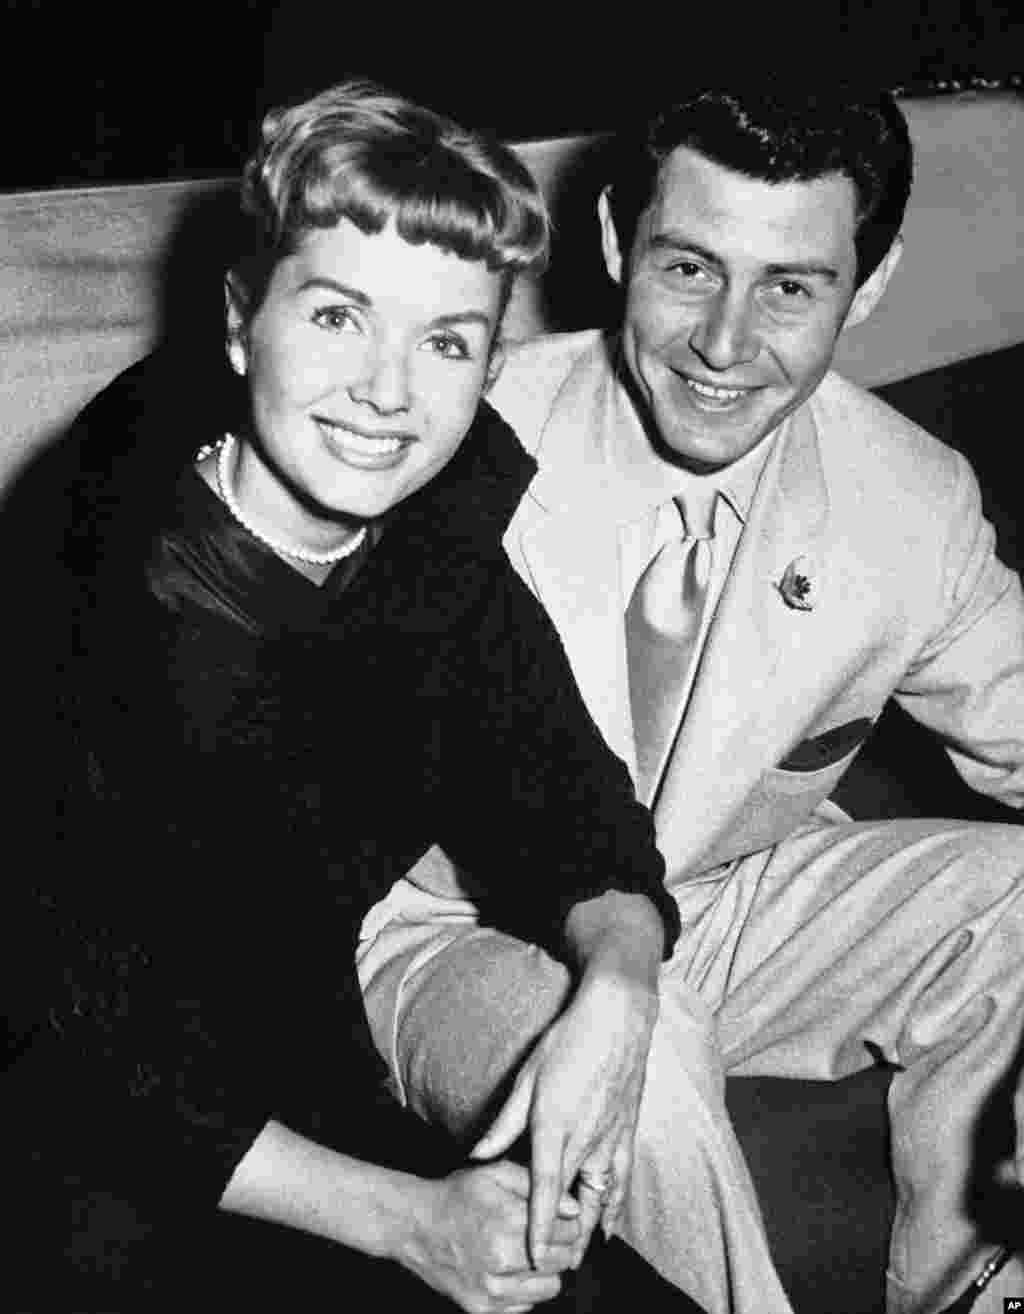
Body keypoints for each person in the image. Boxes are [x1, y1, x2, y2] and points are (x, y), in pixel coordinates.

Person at [5, 80, 683, 1310]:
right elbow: (58, 1048)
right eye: (337, 315)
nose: (387, 390)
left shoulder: (429, 552)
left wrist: (621, 980)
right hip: (69, 1179)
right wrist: (409, 1221)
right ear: (237, 321)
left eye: (445, 341)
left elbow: (566, 797)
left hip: (308, 1105)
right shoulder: (75, 596)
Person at [357, 85, 1024, 1314]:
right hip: (469, 926)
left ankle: (970, 1288)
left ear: (864, 291)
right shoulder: (448, 436)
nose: (724, 342)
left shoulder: (910, 500)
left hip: (728, 899)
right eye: (688, 268)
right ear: (616, 244)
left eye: (790, 287)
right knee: (630, 1058)